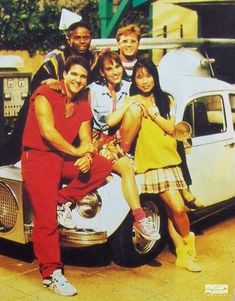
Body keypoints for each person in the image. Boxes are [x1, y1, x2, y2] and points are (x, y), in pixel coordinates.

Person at [21, 55, 112, 296]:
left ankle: (60, 201)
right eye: (74, 74)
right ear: (64, 75)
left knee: (103, 166)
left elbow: (86, 141)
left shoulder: (82, 103)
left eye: (83, 76)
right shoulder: (44, 93)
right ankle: (51, 274)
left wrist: (88, 157)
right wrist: (76, 152)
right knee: (46, 221)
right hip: (38, 158)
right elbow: (48, 133)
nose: (78, 80)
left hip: (61, 158)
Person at [129, 57, 201, 272]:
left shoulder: (163, 99)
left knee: (175, 210)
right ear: (134, 79)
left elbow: (173, 129)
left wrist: (153, 115)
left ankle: (182, 253)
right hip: (150, 162)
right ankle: (188, 240)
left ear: (155, 76)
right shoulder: (133, 100)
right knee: (177, 207)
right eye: (139, 76)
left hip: (169, 159)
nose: (144, 81)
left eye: (148, 75)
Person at [0, 20, 96, 166]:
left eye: (86, 37)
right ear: (69, 39)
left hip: (75, 109)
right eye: (77, 38)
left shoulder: (94, 59)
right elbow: (37, 82)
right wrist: (49, 80)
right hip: (48, 108)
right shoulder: (57, 58)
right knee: (18, 143)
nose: (82, 41)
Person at [88, 51, 159, 241]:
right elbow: (87, 122)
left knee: (136, 108)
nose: (114, 71)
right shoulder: (92, 90)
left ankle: (139, 218)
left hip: (121, 143)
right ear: (102, 72)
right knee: (126, 168)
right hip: (98, 142)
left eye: (117, 66)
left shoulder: (130, 87)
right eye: (109, 68)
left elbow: (149, 96)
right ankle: (139, 218)